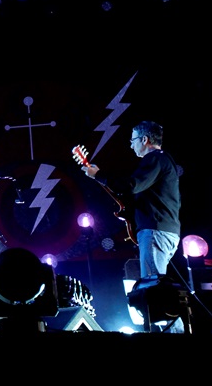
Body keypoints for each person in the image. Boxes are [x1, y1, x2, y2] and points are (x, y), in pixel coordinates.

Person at [81, 120, 184, 333]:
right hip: (162, 230)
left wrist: (98, 175)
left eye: (133, 140)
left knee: (155, 292)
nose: (131, 145)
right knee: (156, 288)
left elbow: (131, 185)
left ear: (144, 140)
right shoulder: (163, 161)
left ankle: (177, 332)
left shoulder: (155, 159)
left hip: (156, 231)